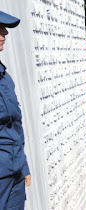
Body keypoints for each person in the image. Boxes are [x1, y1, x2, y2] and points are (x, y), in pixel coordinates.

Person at [0, 10, 31, 209]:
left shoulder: (4, 76)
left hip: (14, 169)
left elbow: (13, 126)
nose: (5, 33)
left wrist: (23, 164)